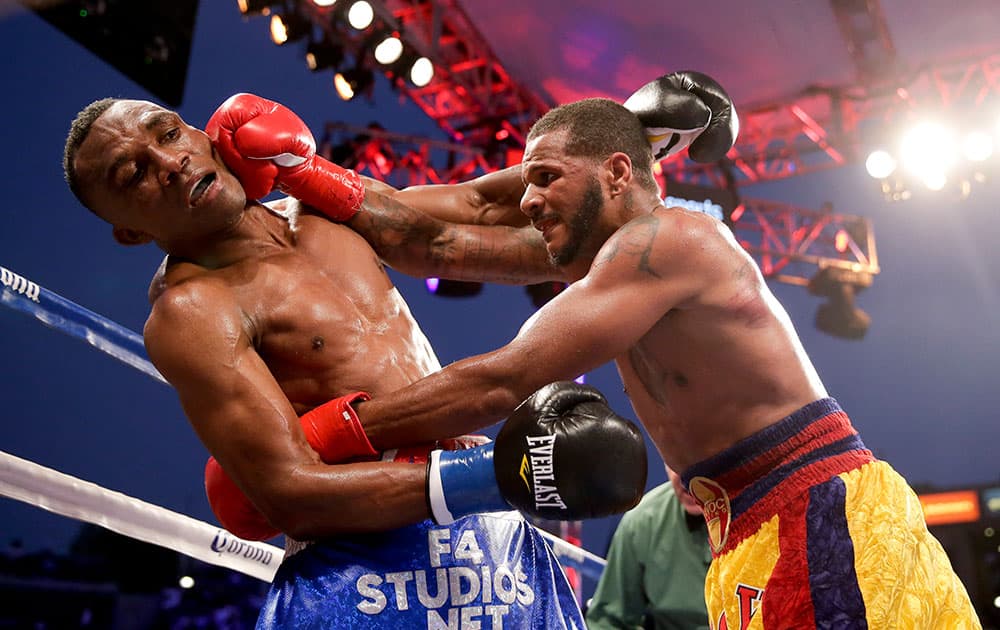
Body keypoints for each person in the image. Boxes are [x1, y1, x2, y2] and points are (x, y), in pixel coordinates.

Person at [259, 79, 981, 626]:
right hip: (744, 525)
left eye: (545, 178)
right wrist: (299, 175)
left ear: (615, 174)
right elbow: (435, 238)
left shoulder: (668, 242)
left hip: (810, 504)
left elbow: (502, 379)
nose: (529, 200)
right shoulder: (614, 264)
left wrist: (319, 436)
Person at [62, 89, 664, 627]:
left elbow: (488, 212)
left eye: (168, 133)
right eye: (133, 173)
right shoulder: (192, 311)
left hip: (493, 541)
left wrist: (632, 141)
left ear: (201, 131)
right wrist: (499, 475)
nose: (170, 164)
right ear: (130, 231)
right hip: (370, 570)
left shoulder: (319, 206)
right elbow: (289, 495)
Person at [586, 467, 711, 630]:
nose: (685, 476)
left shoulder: (755, 519)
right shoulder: (642, 522)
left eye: (695, 455)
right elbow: (607, 621)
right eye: (674, 461)